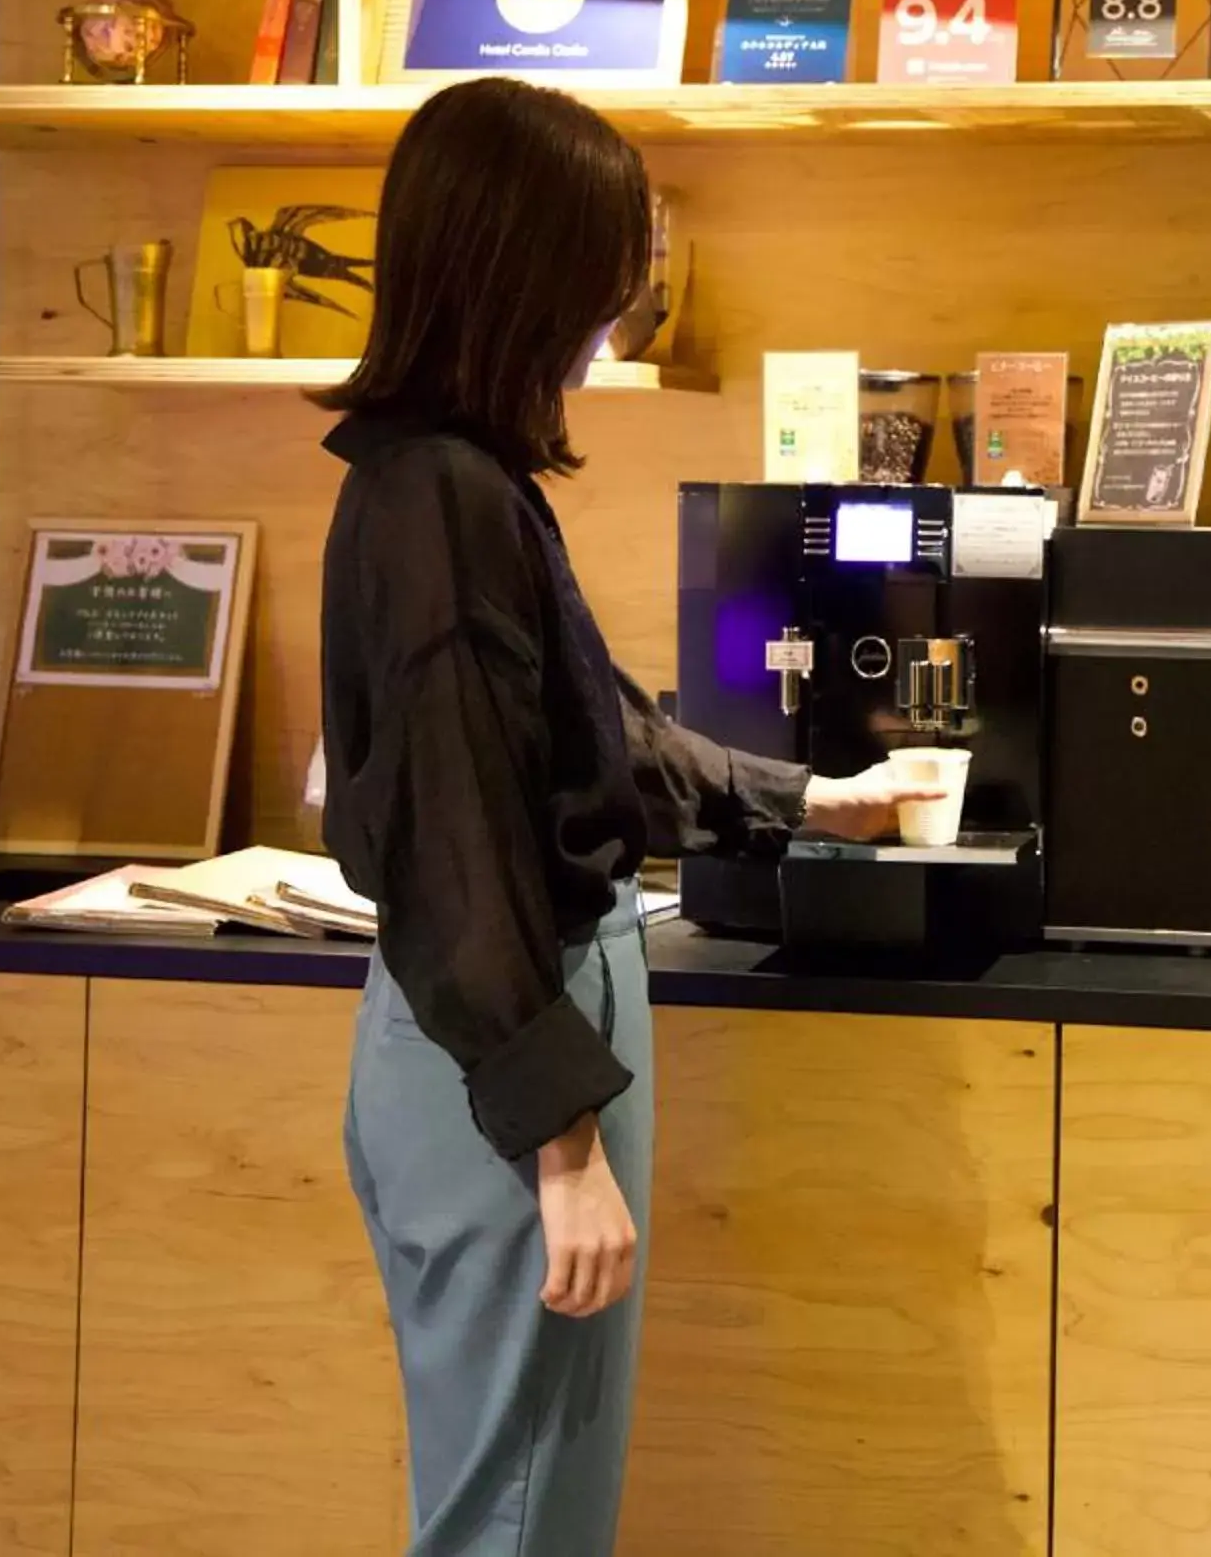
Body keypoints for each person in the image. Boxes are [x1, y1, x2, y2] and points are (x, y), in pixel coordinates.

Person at [312, 77, 927, 1555]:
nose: (617, 317)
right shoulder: (446, 502)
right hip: (509, 1076)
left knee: (509, 1500)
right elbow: (462, 845)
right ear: (524, 273)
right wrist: (564, 1146)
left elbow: (598, 738)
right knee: (520, 1520)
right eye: (604, 278)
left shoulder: (449, 487)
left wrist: (807, 801)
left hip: (486, 1063)